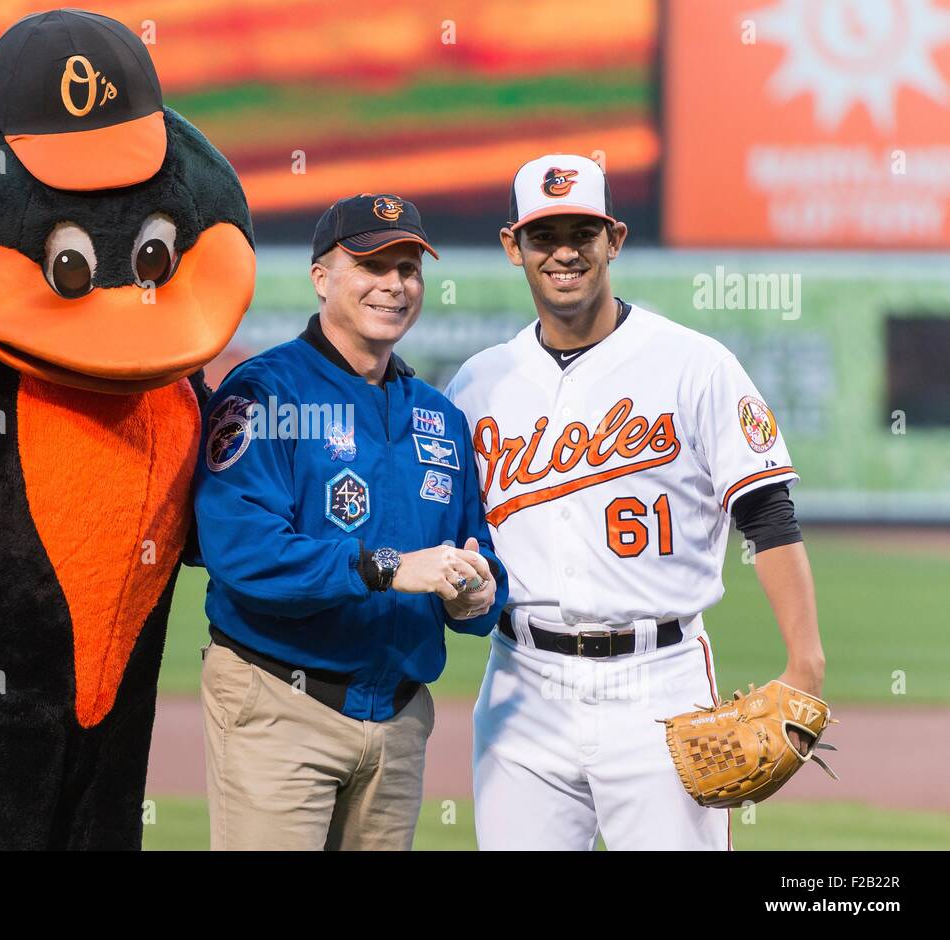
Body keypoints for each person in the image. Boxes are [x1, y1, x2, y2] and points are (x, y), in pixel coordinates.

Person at [446, 154, 826, 850]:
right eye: (544, 234)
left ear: (613, 240)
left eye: (582, 232)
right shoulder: (478, 383)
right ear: (513, 247)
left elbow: (768, 516)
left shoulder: (693, 364)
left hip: (660, 682)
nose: (564, 251)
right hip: (522, 686)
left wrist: (807, 665)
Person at [192, 193, 509, 850]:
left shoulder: (439, 417)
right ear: (321, 278)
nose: (394, 285)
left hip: (396, 721)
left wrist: (481, 592)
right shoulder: (263, 393)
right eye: (371, 265)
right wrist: (387, 567)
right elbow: (242, 552)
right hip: (282, 704)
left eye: (408, 269)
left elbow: (477, 558)